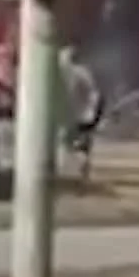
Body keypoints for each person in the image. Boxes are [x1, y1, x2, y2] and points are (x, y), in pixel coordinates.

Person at [58, 45, 104, 180]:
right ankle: (78, 166)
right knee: (71, 142)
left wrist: (93, 110)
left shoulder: (74, 73)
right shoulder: (81, 72)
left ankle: (75, 167)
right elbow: (94, 92)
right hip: (76, 113)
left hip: (75, 113)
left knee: (68, 141)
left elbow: (93, 93)